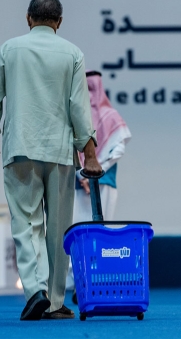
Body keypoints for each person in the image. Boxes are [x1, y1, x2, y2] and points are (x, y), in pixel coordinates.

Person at [0, 0, 102, 321]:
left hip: (20, 148)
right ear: (59, 22)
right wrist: (88, 152)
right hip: (60, 152)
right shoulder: (73, 53)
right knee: (59, 228)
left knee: (27, 223)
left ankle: (35, 291)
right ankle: (57, 302)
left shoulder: (9, 49)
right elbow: (79, 107)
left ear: (28, 18)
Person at [67, 71, 131, 300]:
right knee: (79, 232)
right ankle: (79, 282)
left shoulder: (111, 116)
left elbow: (118, 150)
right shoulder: (75, 117)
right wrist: (81, 174)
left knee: (100, 232)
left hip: (102, 184)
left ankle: (95, 279)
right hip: (78, 185)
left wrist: (93, 169)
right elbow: (67, 149)